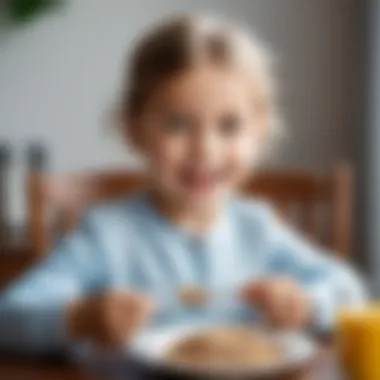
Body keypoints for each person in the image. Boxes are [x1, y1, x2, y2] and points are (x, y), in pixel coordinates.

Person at [0, 15, 366, 354]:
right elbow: (10, 315)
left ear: (260, 133)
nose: (205, 149)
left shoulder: (259, 230)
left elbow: (350, 291)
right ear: (134, 131)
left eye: (229, 126)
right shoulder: (107, 237)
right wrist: (80, 318)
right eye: (177, 125)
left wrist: (309, 304)